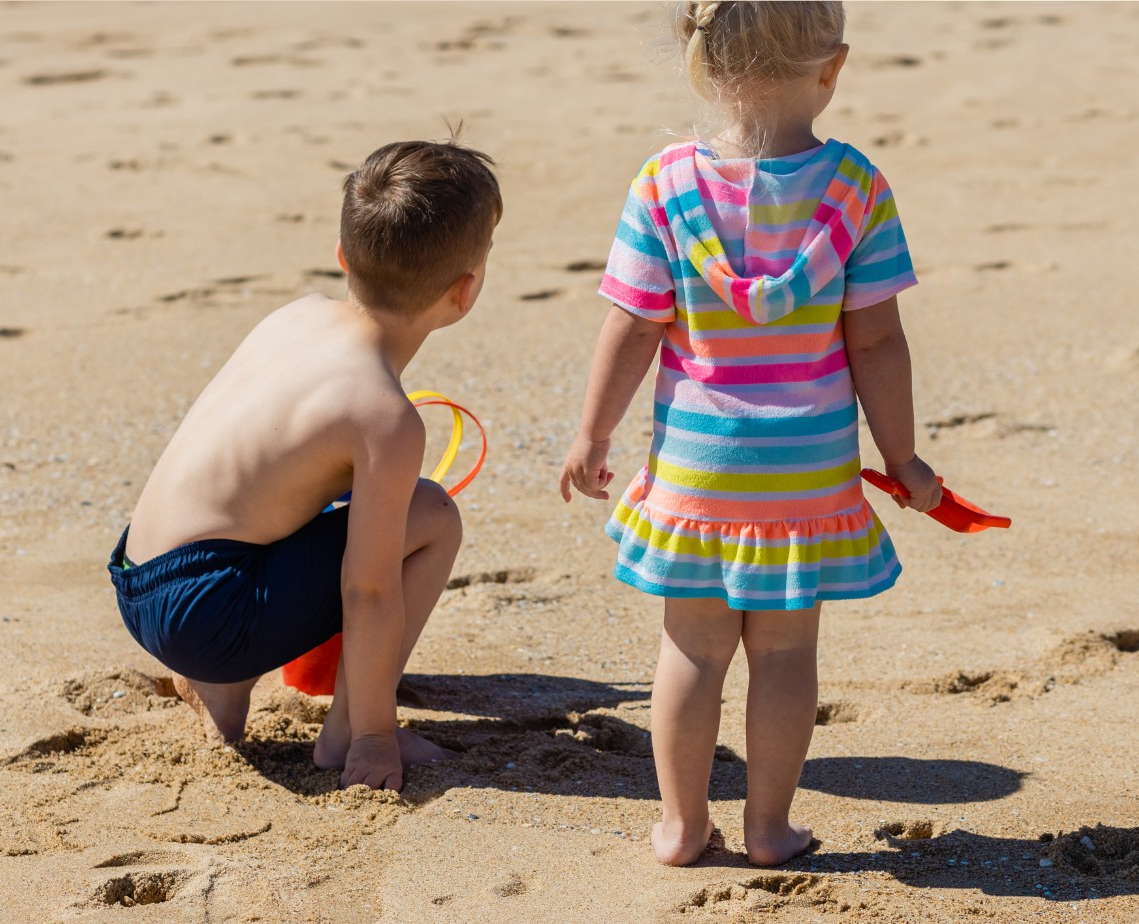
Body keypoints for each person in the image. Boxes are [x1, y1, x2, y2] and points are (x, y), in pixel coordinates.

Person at [559, 0, 942, 866]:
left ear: (701, 62)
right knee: (783, 656)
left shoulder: (663, 185)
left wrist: (593, 433)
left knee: (691, 651)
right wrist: (903, 456)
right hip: (805, 475)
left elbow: (632, 325)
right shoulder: (854, 188)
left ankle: (683, 826)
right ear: (831, 69)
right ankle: (769, 827)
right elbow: (876, 338)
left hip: (698, 467)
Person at [109, 139, 502, 792]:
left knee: (299, 500)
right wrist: (378, 736)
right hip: (206, 612)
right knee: (430, 513)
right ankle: (350, 728)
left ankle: (222, 685)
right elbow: (368, 589)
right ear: (464, 293)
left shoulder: (296, 315)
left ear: (343, 256)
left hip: (139, 576)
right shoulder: (384, 416)